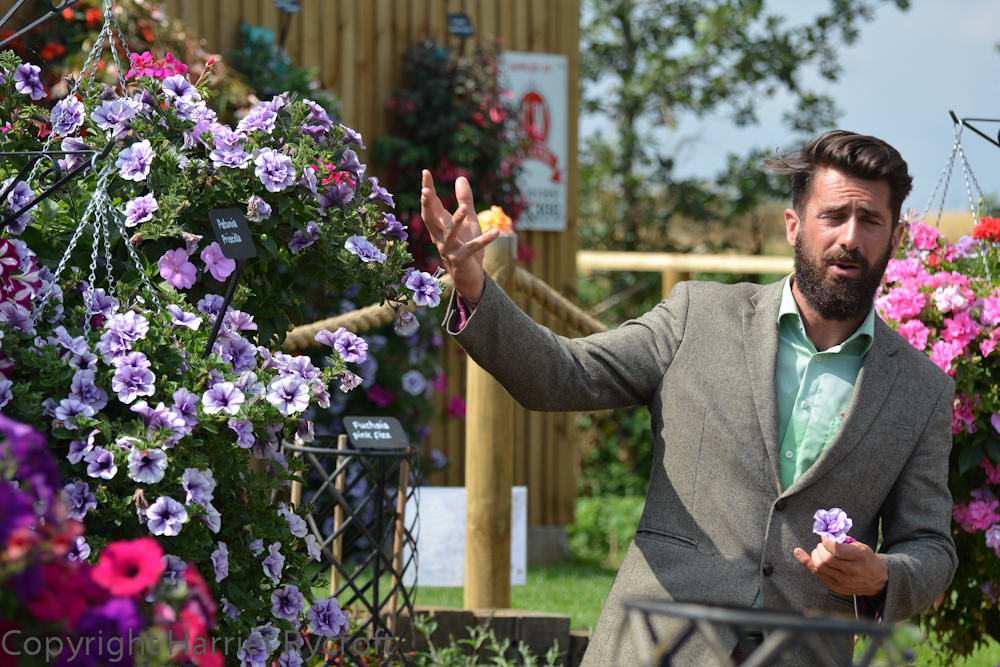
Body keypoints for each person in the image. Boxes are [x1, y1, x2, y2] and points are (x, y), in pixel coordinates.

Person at [419, 130, 958, 666]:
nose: (850, 237)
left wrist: (886, 574)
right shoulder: (697, 317)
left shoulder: (922, 391)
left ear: (896, 238)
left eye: (870, 221)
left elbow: (931, 545)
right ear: (793, 226)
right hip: (655, 647)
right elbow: (562, 374)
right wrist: (471, 286)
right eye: (833, 216)